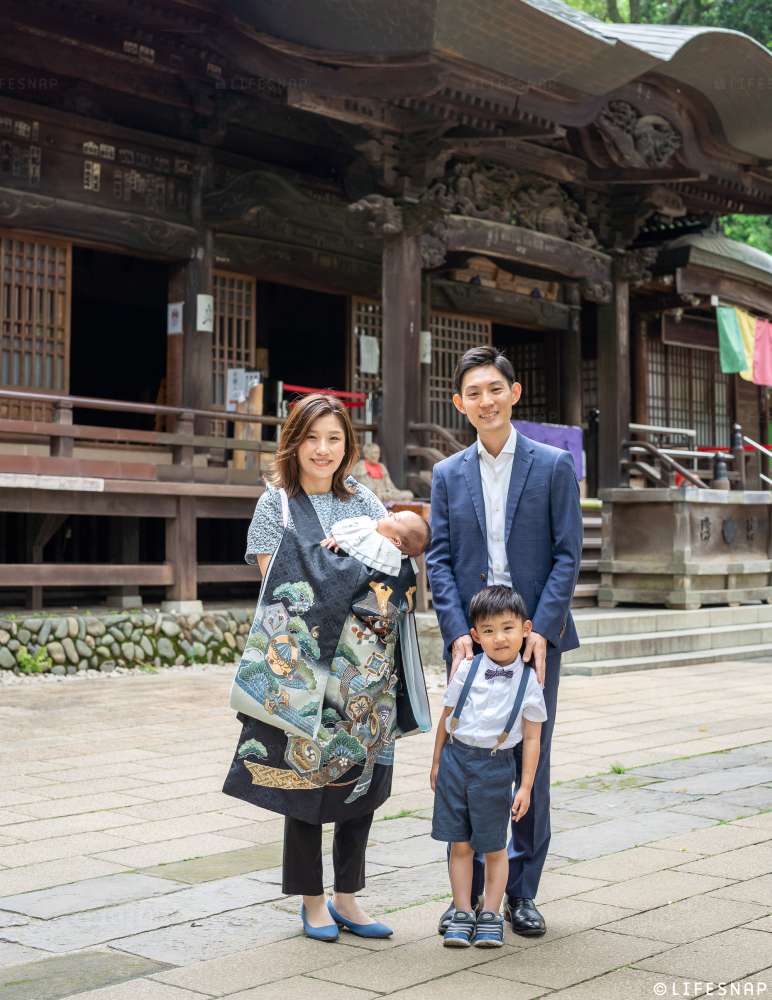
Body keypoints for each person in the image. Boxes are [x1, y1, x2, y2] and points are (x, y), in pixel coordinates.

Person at [223, 393, 421, 943]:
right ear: (294, 440)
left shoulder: (365, 499)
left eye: (334, 439)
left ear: (347, 445)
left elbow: (398, 566)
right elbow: (275, 584)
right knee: (302, 780)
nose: (323, 450)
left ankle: (349, 897)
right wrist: (349, 575)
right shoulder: (277, 504)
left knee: (362, 782)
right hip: (304, 666)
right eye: (312, 438)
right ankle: (312, 900)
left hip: (365, 670)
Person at [426, 345, 582, 938]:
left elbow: (569, 553)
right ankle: (461, 900)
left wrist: (540, 630)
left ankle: (521, 893)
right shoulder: (447, 474)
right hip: (473, 639)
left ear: (514, 394)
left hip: (535, 639)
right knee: (467, 760)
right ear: (459, 404)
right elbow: (438, 559)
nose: (486, 401)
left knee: (528, 762)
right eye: (474, 393)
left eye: (496, 389)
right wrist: (456, 636)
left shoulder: (552, 465)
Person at [430, 586, 546, 948]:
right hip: (456, 761)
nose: (499, 638)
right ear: (476, 635)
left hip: (496, 767)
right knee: (460, 844)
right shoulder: (466, 668)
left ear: (525, 629)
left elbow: (531, 739)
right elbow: (447, 716)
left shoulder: (530, 681)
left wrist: (525, 786)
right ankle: (463, 911)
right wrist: (436, 762)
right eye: (489, 631)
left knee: (494, 845)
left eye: (508, 628)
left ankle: (492, 914)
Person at [320, 509, 430, 574]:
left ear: (395, 540)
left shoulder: (376, 543)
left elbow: (355, 537)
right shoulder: (371, 528)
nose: (390, 513)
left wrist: (340, 539)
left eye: (395, 518)